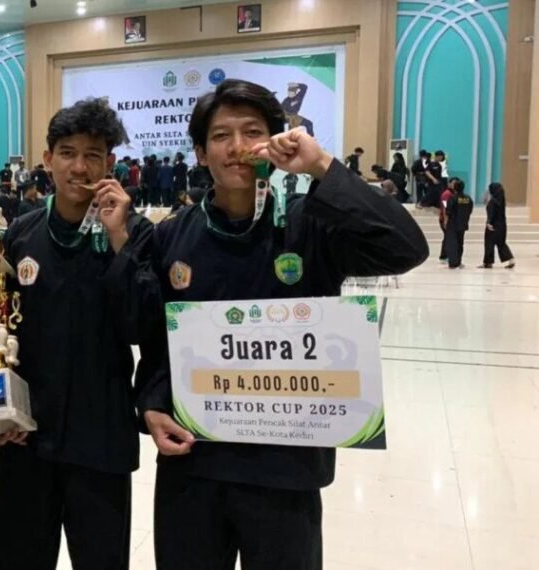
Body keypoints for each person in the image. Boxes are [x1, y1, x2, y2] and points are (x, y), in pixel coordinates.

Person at [98, 79, 429, 570]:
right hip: (194, 463)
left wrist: (321, 167)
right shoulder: (173, 237)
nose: (237, 147)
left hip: (285, 469)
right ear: (200, 152)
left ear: (275, 142)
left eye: (252, 132)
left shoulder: (309, 224)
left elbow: (406, 248)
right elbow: (154, 337)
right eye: (221, 136)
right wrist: (151, 404)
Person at [0, 98, 148, 570]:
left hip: (101, 438)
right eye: (67, 153)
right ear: (47, 160)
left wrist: (119, 241)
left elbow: (142, 325)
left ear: (110, 163)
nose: (79, 167)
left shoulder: (135, 233)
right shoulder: (20, 234)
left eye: (93, 155)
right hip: (26, 436)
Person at [481, 182, 515, 269]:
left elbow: (491, 214)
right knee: (501, 243)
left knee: (489, 243)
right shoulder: (501, 201)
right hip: (502, 225)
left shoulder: (492, 202)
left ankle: (488, 262)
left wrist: (488, 222)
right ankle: (511, 259)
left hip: (493, 225)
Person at [444, 178, 473, 269]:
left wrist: (446, 222)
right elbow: (470, 210)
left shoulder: (452, 198)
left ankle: (453, 263)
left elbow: (448, 211)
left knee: (452, 243)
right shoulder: (468, 198)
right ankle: (459, 261)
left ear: (455, 188)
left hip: (453, 224)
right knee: (460, 243)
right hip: (463, 224)